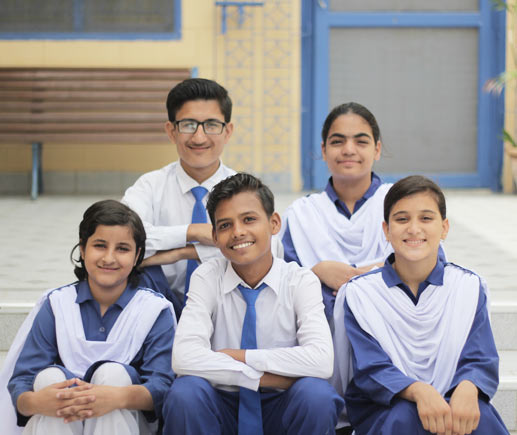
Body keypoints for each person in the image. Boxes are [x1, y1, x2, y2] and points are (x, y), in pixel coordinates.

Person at [163, 173, 344, 435]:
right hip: (221, 403)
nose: (238, 232)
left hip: (280, 404)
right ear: (214, 237)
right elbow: (184, 357)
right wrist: (256, 376)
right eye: (225, 225)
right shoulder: (206, 277)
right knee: (185, 393)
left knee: (317, 395)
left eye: (249, 219)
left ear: (274, 223)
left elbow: (321, 361)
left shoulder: (300, 280)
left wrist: (239, 356)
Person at [335, 175, 508, 435]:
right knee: (405, 416)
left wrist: (469, 386)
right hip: (387, 405)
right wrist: (418, 391)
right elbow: (371, 368)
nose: (414, 229)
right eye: (402, 219)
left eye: (426, 218)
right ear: (386, 229)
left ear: (445, 227)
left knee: (478, 415)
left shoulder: (469, 287)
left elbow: (479, 357)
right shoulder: (361, 294)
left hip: (453, 398)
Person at [2, 200, 176, 434]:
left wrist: (116, 397)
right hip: (59, 421)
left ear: (137, 257)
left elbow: (161, 386)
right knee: (49, 379)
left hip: (125, 421)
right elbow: (22, 380)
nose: (109, 258)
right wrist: (37, 402)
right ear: (82, 250)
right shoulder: (56, 304)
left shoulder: (154, 309)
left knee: (113, 375)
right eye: (100, 246)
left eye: (123, 248)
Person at [121, 78, 236, 315]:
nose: (199, 137)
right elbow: (125, 238)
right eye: (188, 124)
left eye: (212, 125)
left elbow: (265, 248)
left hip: (227, 306)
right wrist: (192, 232)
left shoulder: (244, 190)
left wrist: (183, 252)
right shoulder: (150, 186)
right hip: (160, 305)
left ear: (228, 131)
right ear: (171, 131)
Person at [281, 102, 392, 321]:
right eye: (337, 141)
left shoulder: (400, 204)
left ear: (377, 149)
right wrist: (315, 273)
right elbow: (280, 281)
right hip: (318, 337)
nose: (348, 150)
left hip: (392, 332)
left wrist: (386, 270)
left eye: (361, 141)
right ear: (323, 150)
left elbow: (431, 265)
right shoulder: (301, 215)